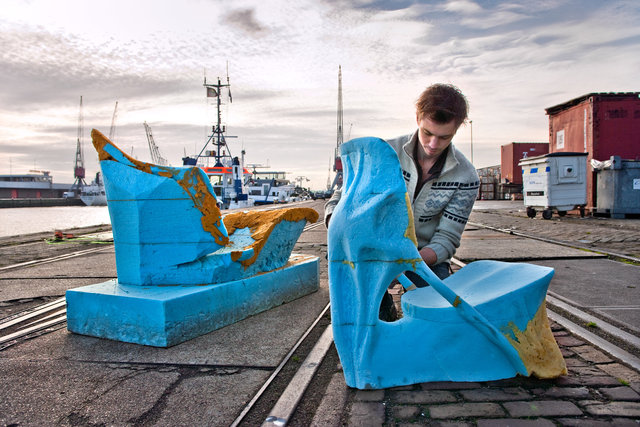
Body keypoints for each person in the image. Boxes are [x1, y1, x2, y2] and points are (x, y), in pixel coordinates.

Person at [325, 83, 479, 320]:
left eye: (444, 137)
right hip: (370, 255)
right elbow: (339, 200)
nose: (433, 145)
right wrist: (337, 227)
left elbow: (446, 240)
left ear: (457, 129)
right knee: (358, 314)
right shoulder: (384, 154)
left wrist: (404, 262)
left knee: (442, 319)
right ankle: (383, 307)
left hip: (423, 260)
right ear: (418, 118)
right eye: (428, 133)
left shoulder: (466, 177)